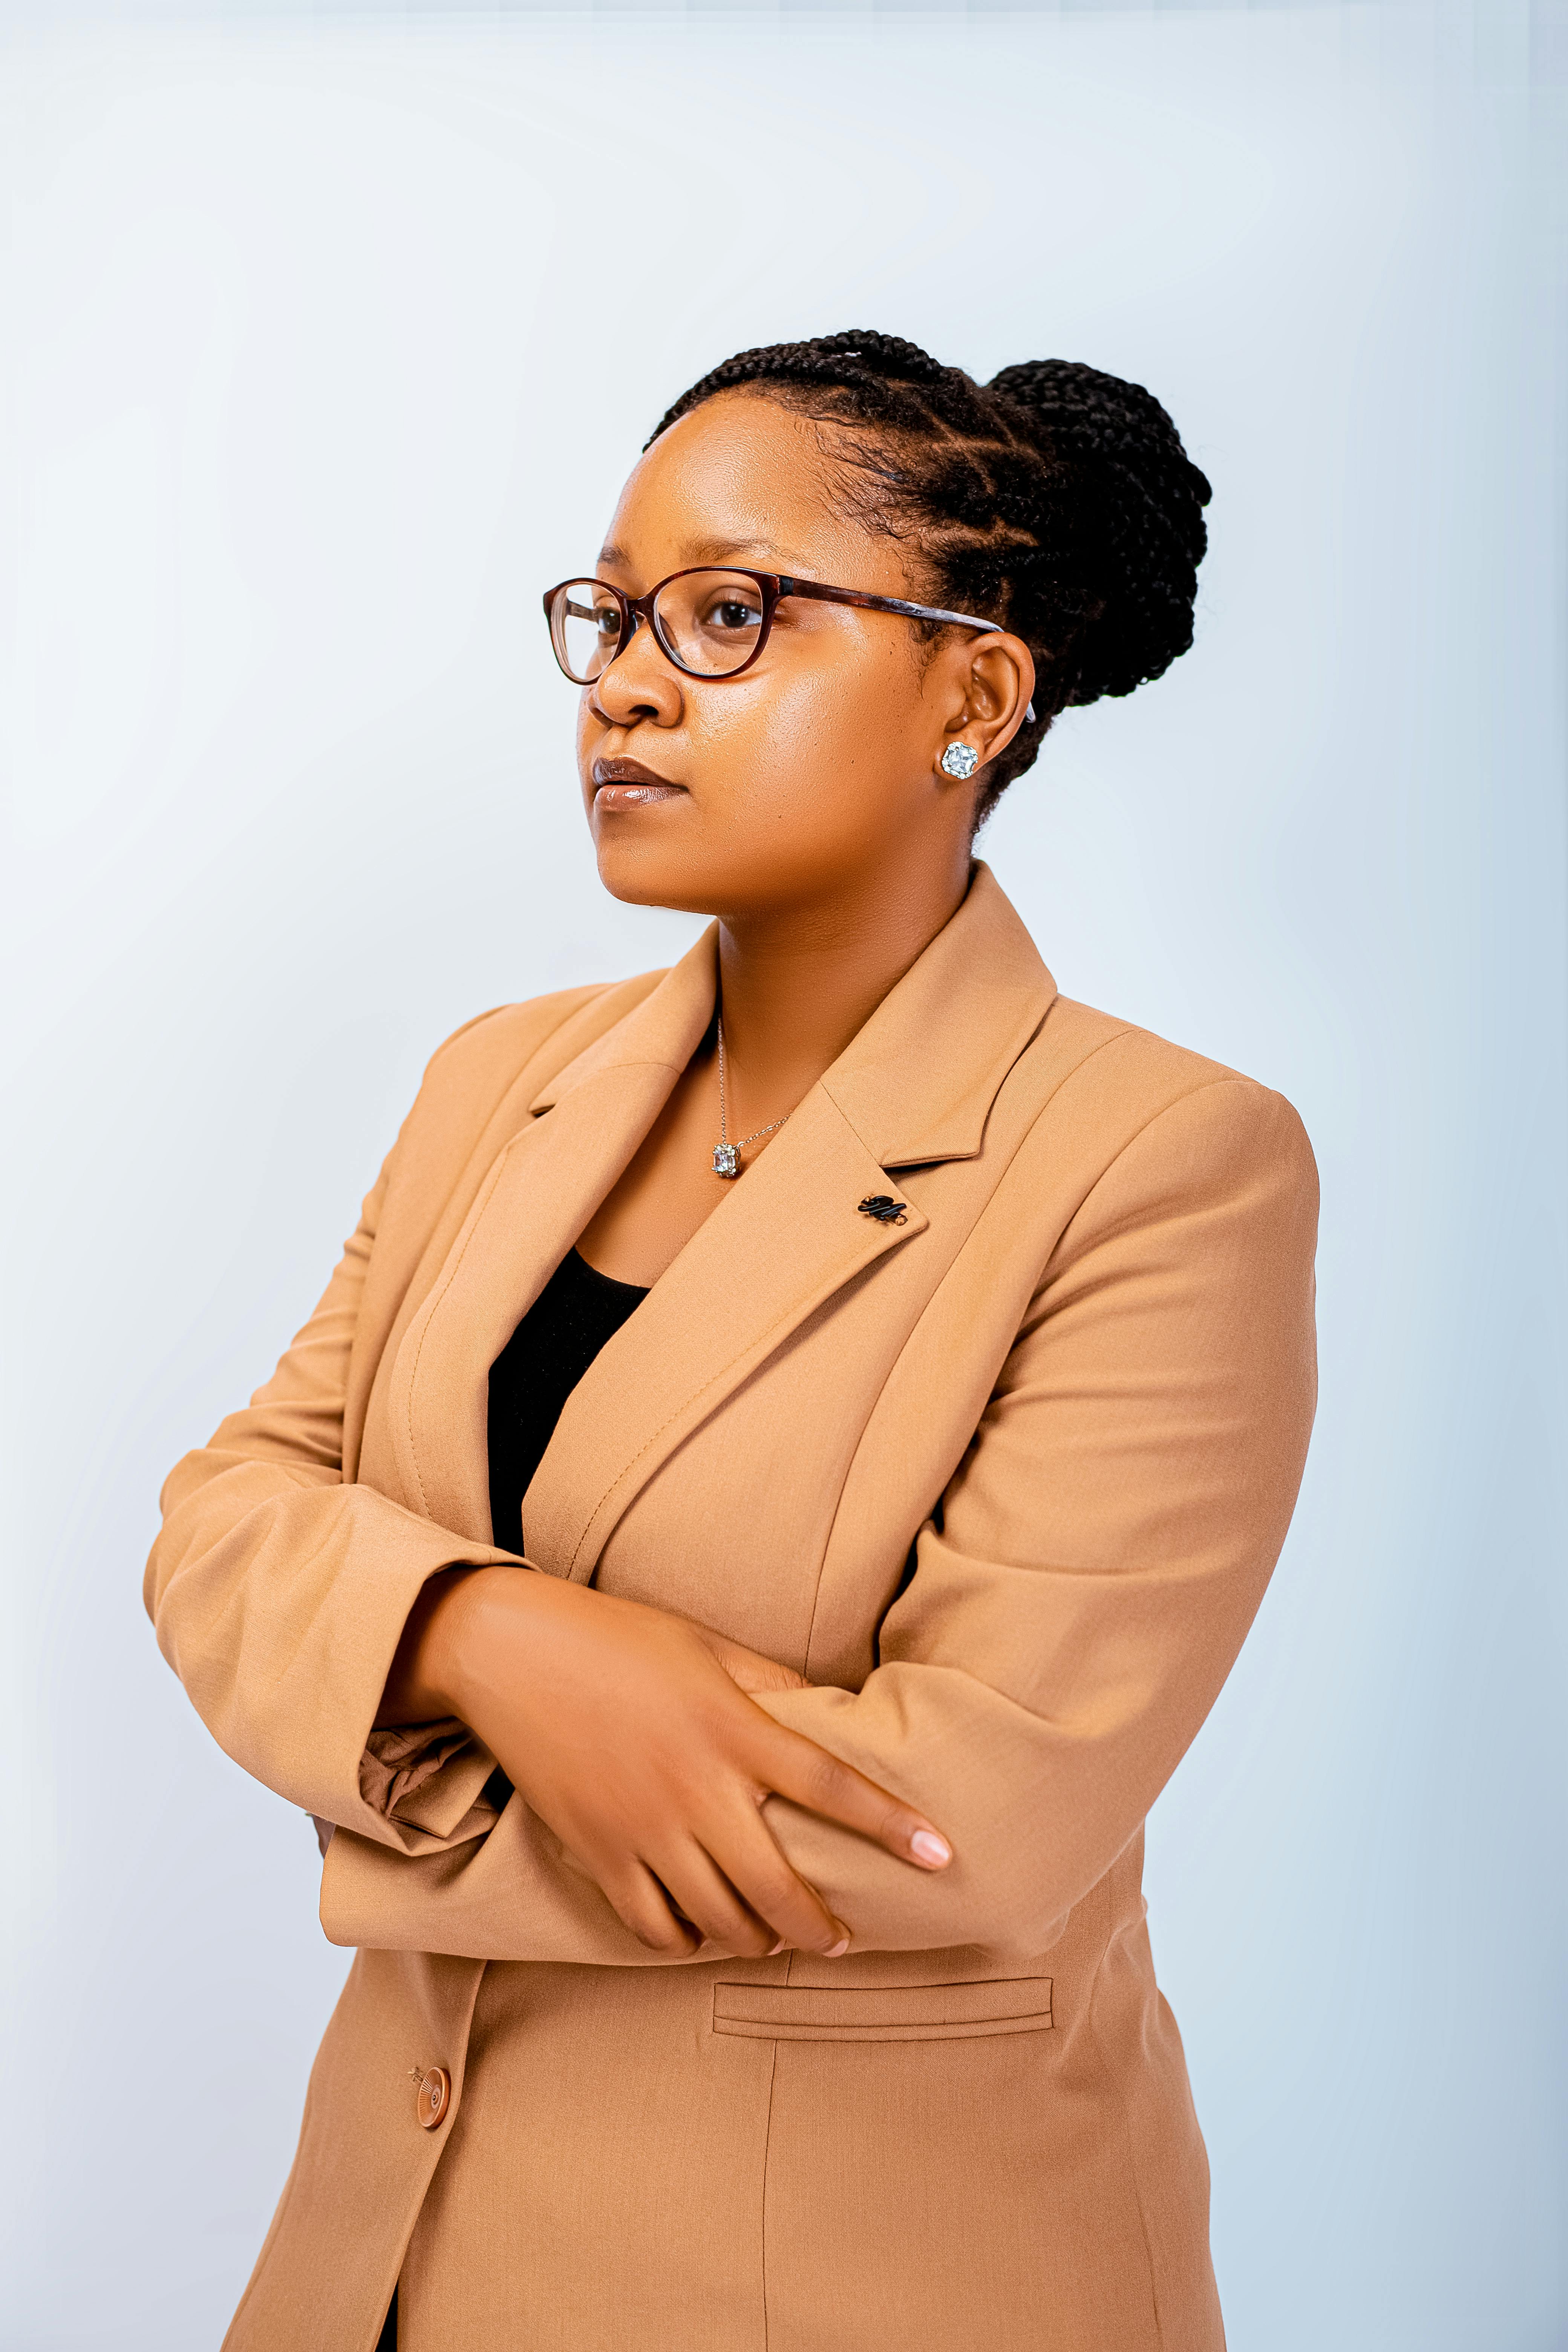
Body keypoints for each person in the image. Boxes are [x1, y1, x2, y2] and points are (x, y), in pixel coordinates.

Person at [146, 330, 1318, 2352]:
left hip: (863, 2285)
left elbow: (964, 1819)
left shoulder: (1164, 1165)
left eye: (729, 616)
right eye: (612, 618)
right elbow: (225, 1517)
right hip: (372, 2270)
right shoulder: (494, 1083)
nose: (625, 683)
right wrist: (488, 1641)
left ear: (974, 696)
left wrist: (366, 1768)